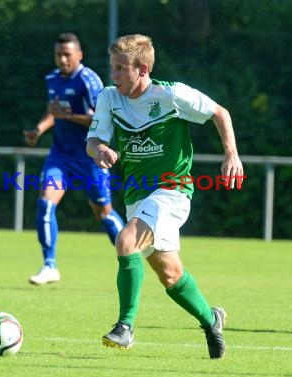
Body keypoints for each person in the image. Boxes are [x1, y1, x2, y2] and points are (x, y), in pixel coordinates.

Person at [86, 34, 244, 359]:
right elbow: (93, 140)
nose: (113, 75)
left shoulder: (171, 94)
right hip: (137, 196)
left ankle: (125, 327)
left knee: (125, 241)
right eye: (112, 68)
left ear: (142, 69)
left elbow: (220, 112)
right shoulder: (108, 98)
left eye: (119, 68)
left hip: (173, 191)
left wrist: (231, 154)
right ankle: (211, 319)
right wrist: (99, 149)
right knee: (170, 274)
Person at [23, 32, 124, 285]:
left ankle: (131, 254)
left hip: (90, 156)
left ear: (79, 55)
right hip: (60, 156)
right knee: (45, 204)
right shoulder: (52, 78)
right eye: (58, 54)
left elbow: (102, 118)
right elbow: (53, 111)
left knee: (104, 213)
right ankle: (50, 265)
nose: (62, 59)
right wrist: (39, 129)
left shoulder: (89, 80)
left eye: (67, 54)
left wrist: (67, 116)